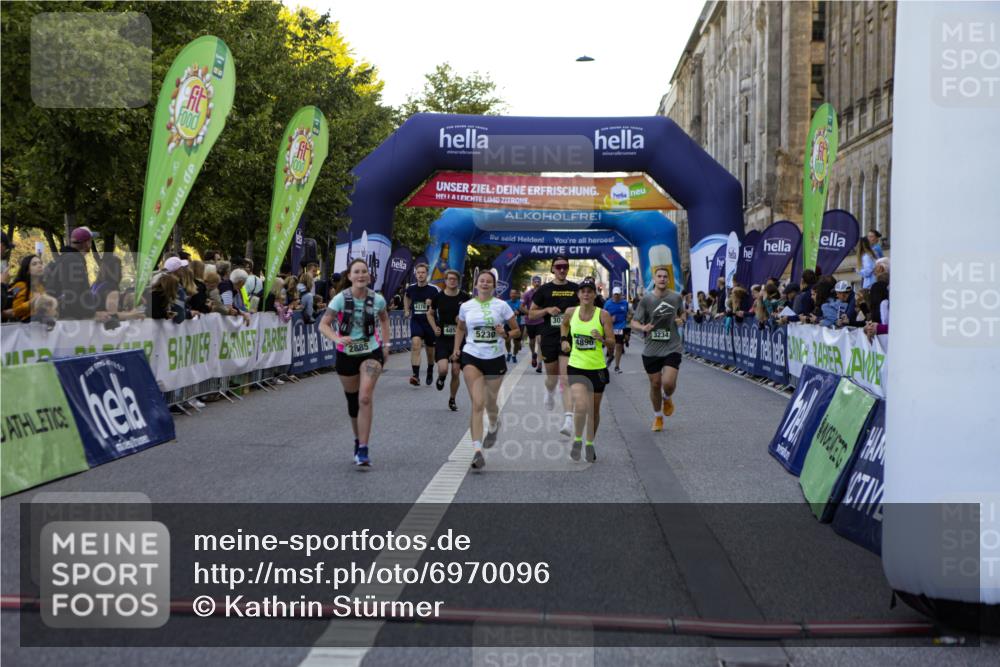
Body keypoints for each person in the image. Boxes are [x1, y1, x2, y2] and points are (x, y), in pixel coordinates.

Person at [319, 258, 391, 467]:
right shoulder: (340, 299)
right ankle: (357, 440)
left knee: (365, 397)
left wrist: (386, 345)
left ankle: (364, 449)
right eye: (356, 272)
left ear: (369, 276)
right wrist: (337, 338)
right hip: (346, 353)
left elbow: (385, 320)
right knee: (353, 403)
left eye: (364, 272)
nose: (361, 275)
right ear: (349, 276)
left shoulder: (377, 300)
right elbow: (323, 325)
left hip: (371, 350)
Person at [451, 270, 520, 471]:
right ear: (476, 284)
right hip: (471, 355)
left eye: (488, 282)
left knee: (490, 403)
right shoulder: (466, 306)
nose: (484, 284)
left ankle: (494, 424)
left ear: (494, 285)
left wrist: (505, 333)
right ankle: (477, 451)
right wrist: (456, 348)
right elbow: (461, 328)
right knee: (477, 403)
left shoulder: (502, 306)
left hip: (495, 358)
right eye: (481, 281)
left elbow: (516, 331)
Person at [560, 277, 615, 462]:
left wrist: (601, 339)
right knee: (581, 406)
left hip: (597, 368)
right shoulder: (570, 312)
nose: (586, 294)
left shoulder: (603, 315)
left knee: (594, 409)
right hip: (576, 365)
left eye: (589, 291)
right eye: (582, 291)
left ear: (594, 294)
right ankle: (577, 440)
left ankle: (590, 443)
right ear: (578, 294)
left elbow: (612, 343)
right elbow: (564, 325)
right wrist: (564, 340)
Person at [527, 256, 579, 437]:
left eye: (565, 266)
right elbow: (531, 314)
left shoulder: (576, 289)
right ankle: (549, 391)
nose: (562, 270)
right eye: (558, 267)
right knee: (553, 377)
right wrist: (547, 310)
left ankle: (568, 419)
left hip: (569, 337)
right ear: (552, 269)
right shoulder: (544, 289)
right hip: (549, 336)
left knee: (565, 378)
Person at [631, 266, 686, 432]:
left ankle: (667, 397)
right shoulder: (647, 300)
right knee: (655, 384)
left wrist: (681, 319)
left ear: (668, 280)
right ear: (654, 280)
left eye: (665, 276)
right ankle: (658, 417)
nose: (662, 279)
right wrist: (643, 328)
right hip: (652, 349)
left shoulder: (676, 298)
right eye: (659, 276)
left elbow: (682, 314)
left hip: (672, 346)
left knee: (667, 383)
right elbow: (634, 322)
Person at [426, 270, 470, 411]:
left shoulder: (465, 297)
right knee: (444, 369)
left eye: (454, 279)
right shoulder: (438, 297)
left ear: (458, 281)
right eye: (449, 279)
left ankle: (452, 399)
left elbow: (472, 315)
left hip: (459, 338)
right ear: (445, 281)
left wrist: (463, 320)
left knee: (456, 371)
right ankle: (441, 377)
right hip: (443, 338)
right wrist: (434, 328)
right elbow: (430, 314)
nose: (452, 281)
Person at [47, 226, 101, 319]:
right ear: (87, 243)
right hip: (70, 320)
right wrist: (90, 314)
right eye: (90, 241)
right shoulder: (73, 260)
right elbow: (72, 294)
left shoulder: (66, 258)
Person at [404, 263, 439, 386]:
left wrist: (432, 303)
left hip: (430, 323)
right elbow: (407, 297)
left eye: (423, 272)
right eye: (418, 272)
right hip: (416, 321)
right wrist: (406, 309)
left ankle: (430, 369)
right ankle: (416, 376)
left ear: (427, 274)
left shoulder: (433, 290)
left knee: (430, 352)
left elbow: (439, 305)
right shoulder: (411, 288)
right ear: (415, 274)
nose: (420, 275)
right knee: (415, 344)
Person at [9, 254, 48, 322]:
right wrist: (32, 302)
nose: (39, 266)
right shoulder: (20, 285)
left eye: (40, 263)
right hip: (24, 327)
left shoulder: (42, 286)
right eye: (34, 264)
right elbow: (15, 310)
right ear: (27, 270)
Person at [603, 286, 631, 373]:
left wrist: (629, 317)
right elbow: (602, 316)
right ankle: (611, 355)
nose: (616, 296)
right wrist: (610, 320)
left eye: (618, 294)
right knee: (611, 346)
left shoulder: (625, 303)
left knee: (619, 346)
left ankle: (617, 366)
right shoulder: (607, 304)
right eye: (615, 294)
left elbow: (628, 313)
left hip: (620, 327)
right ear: (612, 294)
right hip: (610, 327)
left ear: (620, 295)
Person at [521, 275, 545, 373]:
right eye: (535, 282)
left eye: (538, 281)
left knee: (540, 341)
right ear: (532, 283)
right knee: (532, 341)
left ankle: (539, 364)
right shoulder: (527, 294)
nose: (536, 283)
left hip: (541, 321)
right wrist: (530, 313)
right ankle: (533, 354)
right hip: (530, 321)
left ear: (540, 283)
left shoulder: (544, 293)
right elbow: (521, 307)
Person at [867, 257, 890, 324]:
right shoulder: (892, 285)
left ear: (881, 268)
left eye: (875, 268)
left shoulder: (877, 286)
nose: (873, 272)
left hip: (880, 327)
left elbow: (875, 309)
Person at [504, 288, 524, 364]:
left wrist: (519, 312)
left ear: (517, 295)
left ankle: (514, 355)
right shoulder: (506, 303)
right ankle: (509, 353)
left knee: (516, 343)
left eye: (514, 293)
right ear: (510, 294)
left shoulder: (520, 303)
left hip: (517, 325)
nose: (513, 295)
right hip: (507, 324)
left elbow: (525, 312)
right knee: (507, 340)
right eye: (511, 293)